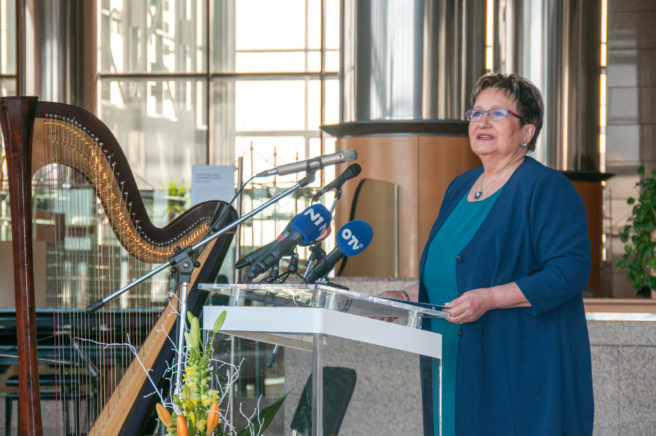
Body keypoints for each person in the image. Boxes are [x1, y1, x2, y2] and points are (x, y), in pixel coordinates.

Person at [383, 72, 594, 435]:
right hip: (452, 360)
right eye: (476, 113)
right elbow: (457, 275)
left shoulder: (545, 188)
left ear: (526, 132)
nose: (482, 121)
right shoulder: (460, 186)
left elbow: (569, 273)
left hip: (515, 370)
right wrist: (405, 298)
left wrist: (491, 299)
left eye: (497, 114)